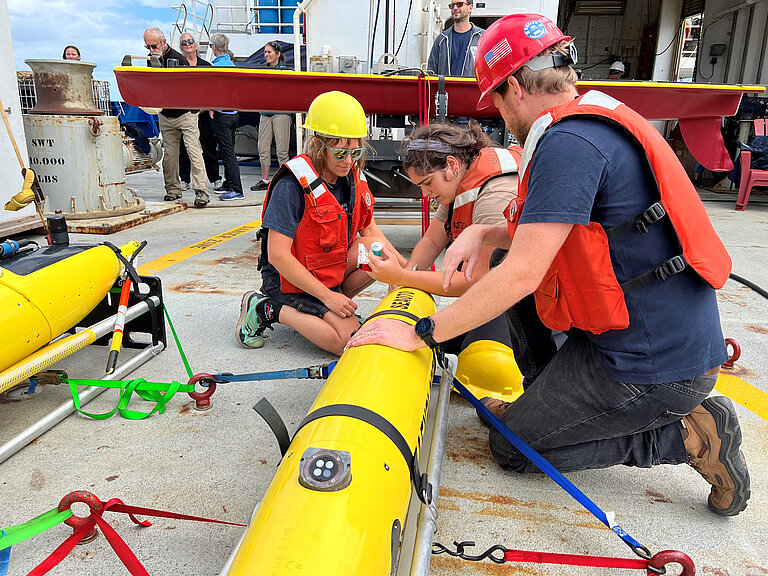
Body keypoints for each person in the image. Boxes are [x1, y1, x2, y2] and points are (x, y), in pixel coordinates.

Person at [350, 13, 750, 517]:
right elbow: (563, 235)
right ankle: (542, 407)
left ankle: (686, 435)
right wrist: (482, 230)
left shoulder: (568, 145)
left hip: (652, 365)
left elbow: (522, 273)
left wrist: (421, 332)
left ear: (514, 87)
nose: (496, 112)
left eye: (494, 98)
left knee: (512, 448)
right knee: (514, 300)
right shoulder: (586, 124)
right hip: (624, 333)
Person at [236, 91, 405, 356]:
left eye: (355, 151)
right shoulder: (292, 186)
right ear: (318, 144)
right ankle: (266, 308)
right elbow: (278, 256)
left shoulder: (352, 177)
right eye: (340, 153)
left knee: (377, 251)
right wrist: (327, 297)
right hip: (286, 280)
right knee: (347, 342)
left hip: (326, 272)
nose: (348, 161)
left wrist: (405, 274)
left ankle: (326, 311)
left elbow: (370, 230)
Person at [143, 26, 209, 207]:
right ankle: (172, 190)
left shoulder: (179, 60)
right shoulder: (151, 60)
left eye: (154, 46)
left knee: (194, 151)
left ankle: (201, 191)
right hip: (166, 115)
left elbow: (188, 88)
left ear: (163, 42)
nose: (151, 51)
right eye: (148, 47)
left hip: (185, 113)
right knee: (170, 156)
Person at [177, 33, 221, 193]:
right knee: (184, 147)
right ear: (181, 47)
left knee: (209, 144)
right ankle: (185, 179)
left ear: (195, 45)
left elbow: (212, 90)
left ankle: (215, 178)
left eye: (190, 41)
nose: (187, 44)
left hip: (202, 113)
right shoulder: (179, 65)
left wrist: (208, 107)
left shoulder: (206, 65)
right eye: (184, 42)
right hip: (185, 114)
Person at [207, 33, 245, 201]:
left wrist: (211, 107)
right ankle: (229, 183)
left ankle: (236, 189)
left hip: (221, 116)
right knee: (229, 149)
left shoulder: (216, 67)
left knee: (228, 153)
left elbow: (216, 92)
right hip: (233, 114)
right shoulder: (232, 65)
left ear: (214, 48)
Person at [251, 41, 292, 192]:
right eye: (265, 52)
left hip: (282, 113)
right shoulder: (262, 71)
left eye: (269, 52)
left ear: (278, 54)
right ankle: (265, 180)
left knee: (282, 150)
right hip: (265, 113)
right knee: (263, 147)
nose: (267, 55)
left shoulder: (286, 72)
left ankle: (284, 181)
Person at [427, 1, 484, 77]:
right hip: (445, 89)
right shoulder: (441, 39)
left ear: (470, 8)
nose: (455, 8)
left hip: (473, 88)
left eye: (459, 4)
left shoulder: (483, 38)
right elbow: (431, 72)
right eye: (452, 5)